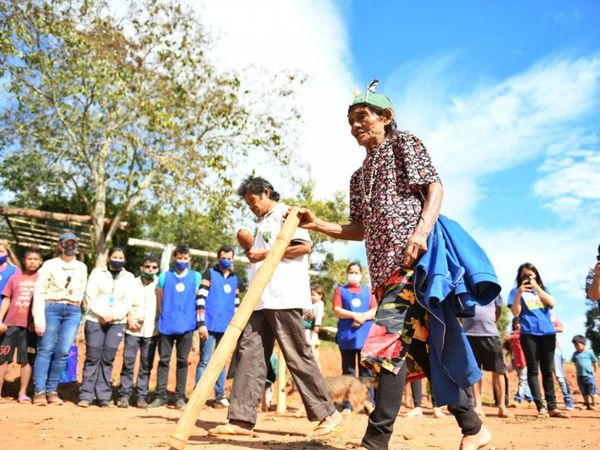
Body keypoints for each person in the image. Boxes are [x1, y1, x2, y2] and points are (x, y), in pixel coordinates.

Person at [296, 84, 491, 450]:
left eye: (362, 118)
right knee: (422, 350)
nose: (355, 126)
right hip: (384, 274)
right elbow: (358, 228)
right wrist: (317, 224)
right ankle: (474, 427)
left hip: (415, 264)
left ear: (386, 118)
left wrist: (420, 232)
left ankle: (375, 440)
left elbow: (435, 188)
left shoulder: (405, 144)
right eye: (350, 122)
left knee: (387, 343)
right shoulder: (358, 177)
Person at [208, 176, 341, 437]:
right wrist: (255, 255)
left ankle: (328, 412)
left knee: (295, 353)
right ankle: (241, 419)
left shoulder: (287, 214)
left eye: (253, 201)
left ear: (266, 192)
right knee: (250, 354)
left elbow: (304, 247)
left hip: (284, 296)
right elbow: (258, 256)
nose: (251, 207)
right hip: (260, 299)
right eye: (247, 204)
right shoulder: (262, 225)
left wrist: (263, 254)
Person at [32, 232, 88, 405]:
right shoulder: (49, 265)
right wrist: (38, 318)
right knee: (45, 348)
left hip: (72, 310)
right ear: (60, 246)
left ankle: (52, 390)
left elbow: (82, 291)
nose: (70, 247)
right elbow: (39, 291)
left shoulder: (82, 267)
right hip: (52, 307)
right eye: (67, 243)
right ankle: (39, 391)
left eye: (73, 243)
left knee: (63, 351)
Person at [508, 262, 568, 418]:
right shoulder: (515, 291)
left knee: (548, 371)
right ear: (519, 277)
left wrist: (536, 286)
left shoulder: (542, 290)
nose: (527, 277)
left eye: (530, 274)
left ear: (536, 275)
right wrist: (519, 294)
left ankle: (552, 407)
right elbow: (516, 312)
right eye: (524, 275)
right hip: (529, 334)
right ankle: (540, 407)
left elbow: (551, 303)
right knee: (533, 371)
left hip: (548, 333)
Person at [78, 247, 134, 407]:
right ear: (109, 257)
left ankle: (103, 395)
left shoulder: (129, 277)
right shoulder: (97, 273)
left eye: (121, 257)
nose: (117, 259)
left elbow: (128, 300)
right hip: (95, 319)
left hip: (117, 323)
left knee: (108, 359)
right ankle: (86, 395)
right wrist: (102, 314)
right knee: (92, 357)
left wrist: (113, 316)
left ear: (124, 259)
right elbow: (90, 295)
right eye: (115, 256)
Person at [149, 244, 201, 410]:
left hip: (187, 325)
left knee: (182, 362)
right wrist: (163, 313)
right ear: (174, 258)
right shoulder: (165, 277)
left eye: (185, 258)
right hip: (167, 325)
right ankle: (160, 397)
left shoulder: (196, 277)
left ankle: (180, 398)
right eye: (179, 258)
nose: (182, 261)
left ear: (189, 259)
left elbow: (197, 298)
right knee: (164, 361)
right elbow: (159, 297)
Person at [195, 245, 240, 408]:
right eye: (223, 258)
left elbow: (236, 304)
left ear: (233, 259)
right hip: (209, 324)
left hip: (226, 328)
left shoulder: (235, 278)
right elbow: (200, 299)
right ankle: (197, 395)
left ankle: (219, 395)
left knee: (221, 361)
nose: (226, 261)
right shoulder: (210, 274)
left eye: (229, 258)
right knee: (205, 360)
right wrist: (201, 324)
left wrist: (235, 327)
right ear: (218, 258)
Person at [0, 246, 43, 403]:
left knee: (26, 359)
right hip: (10, 324)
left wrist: (38, 321)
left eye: (35, 259)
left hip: (30, 327)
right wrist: (1, 320)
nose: (32, 262)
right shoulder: (14, 278)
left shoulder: (42, 279)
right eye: (29, 259)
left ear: (40, 262)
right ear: (24, 261)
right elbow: (6, 299)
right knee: (2, 358)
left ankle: (22, 393)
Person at [333, 262, 377, 414]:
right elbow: (337, 309)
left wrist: (363, 317)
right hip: (347, 335)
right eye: (351, 272)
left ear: (361, 274)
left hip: (365, 335)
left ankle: (368, 403)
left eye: (356, 272)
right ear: (347, 273)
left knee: (367, 371)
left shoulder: (368, 291)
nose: (353, 274)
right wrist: (354, 315)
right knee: (348, 370)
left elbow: (375, 309)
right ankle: (348, 405)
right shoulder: (340, 290)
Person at [117, 255, 160, 408]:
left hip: (151, 331)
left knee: (146, 365)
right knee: (128, 363)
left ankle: (141, 396)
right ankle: (124, 395)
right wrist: (129, 317)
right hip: (132, 331)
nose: (150, 270)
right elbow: (124, 302)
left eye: (154, 268)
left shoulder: (158, 284)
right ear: (142, 268)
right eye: (148, 267)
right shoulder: (132, 283)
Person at [463, 295, 511, 418]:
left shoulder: (493, 288)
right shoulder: (465, 287)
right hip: (469, 334)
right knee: (475, 372)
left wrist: (489, 321)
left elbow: (498, 310)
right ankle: (478, 406)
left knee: (499, 370)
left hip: (490, 334)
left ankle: (502, 406)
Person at [549, 311, 574, 410]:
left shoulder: (550, 314)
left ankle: (568, 400)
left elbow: (561, 328)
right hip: (537, 349)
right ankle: (550, 403)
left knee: (559, 376)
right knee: (546, 375)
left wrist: (547, 328)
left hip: (553, 348)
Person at [504, 318, 532, 404]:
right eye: (516, 324)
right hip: (515, 360)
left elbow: (515, 337)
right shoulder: (513, 334)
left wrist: (511, 337)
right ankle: (529, 396)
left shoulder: (523, 334)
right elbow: (508, 341)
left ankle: (518, 398)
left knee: (523, 379)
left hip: (523, 359)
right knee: (522, 378)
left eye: (519, 323)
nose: (517, 325)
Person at [571, 335, 598, 410]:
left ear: (584, 344)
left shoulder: (589, 353)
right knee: (584, 391)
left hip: (589, 375)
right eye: (575, 345)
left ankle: (594, 404)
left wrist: (595, 371)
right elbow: (575, 363)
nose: (576, 347)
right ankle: (587, 404)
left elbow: (595, 362)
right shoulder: (575, 354)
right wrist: (575, 371)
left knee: (592, 389)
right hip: (580, 376)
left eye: (578, 345)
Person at [304, 284, 325, 366]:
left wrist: (317, 325)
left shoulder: (320, 304)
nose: (311, 297)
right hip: (306, 328)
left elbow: (319, 315)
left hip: (312, 328)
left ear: (320, 296)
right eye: (310, 295)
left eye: (313, 295)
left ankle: (314, 365)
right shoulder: (310, 304)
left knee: (312, 345)